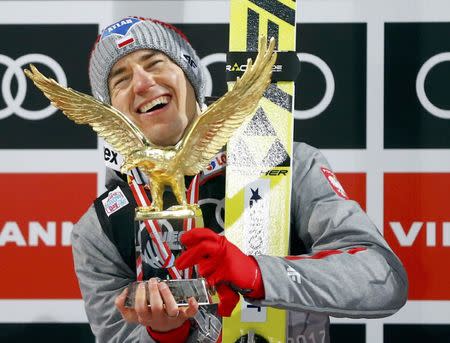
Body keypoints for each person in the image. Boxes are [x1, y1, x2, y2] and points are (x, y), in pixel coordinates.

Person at [71, 16, 408, 343]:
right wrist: (165, 333)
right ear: (109, 110)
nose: (142, 83)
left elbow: (380, 278)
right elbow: (118, 336)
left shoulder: (284, 164)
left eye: (155, 62)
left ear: (190, 73)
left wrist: (257, 274)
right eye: (120, 79)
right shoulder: (102, 226)